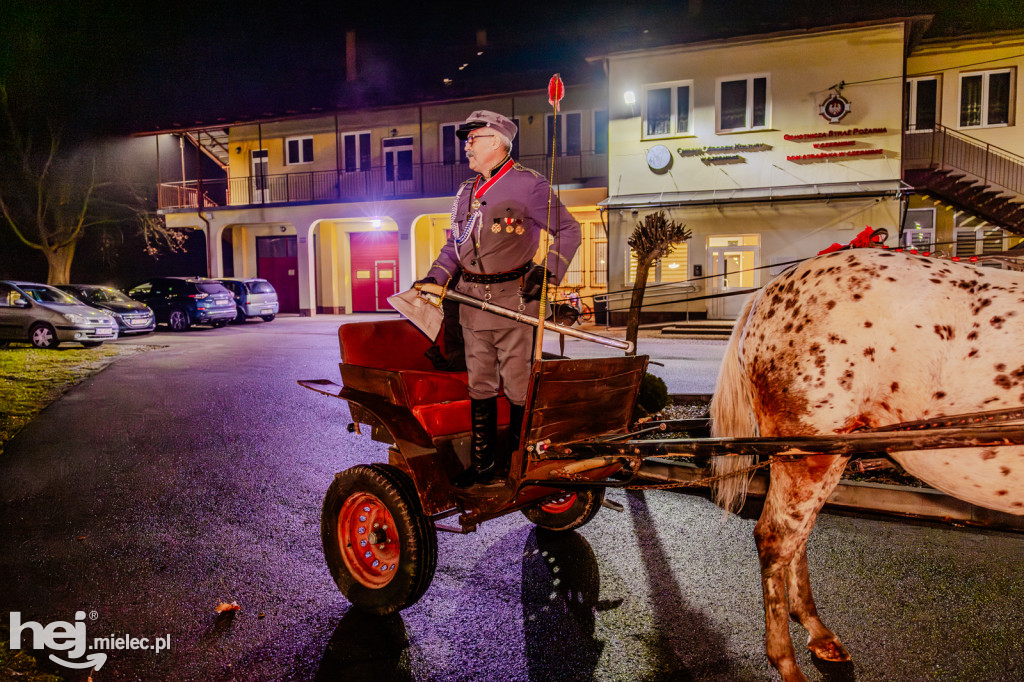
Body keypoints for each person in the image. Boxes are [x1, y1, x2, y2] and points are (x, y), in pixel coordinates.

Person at [416, 110, 581, 487]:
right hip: (473, 305)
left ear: (497, 141)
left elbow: (569, 231)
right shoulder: (465, 192)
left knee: (519, 384)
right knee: (481, 384)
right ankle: (483, 464)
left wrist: (547, 271)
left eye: (474, 138)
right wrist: (435, 277)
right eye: (467, 139)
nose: (467, 145)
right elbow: (454, 247)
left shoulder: (529, 186)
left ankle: (518, 463)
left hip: (514, 304)